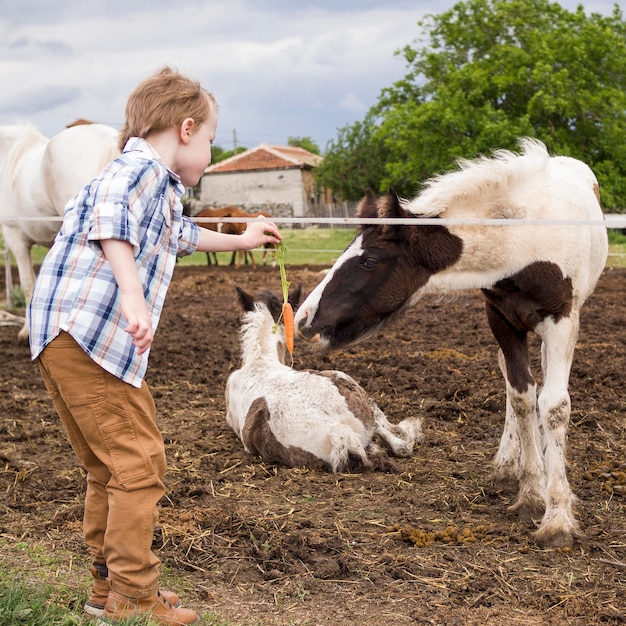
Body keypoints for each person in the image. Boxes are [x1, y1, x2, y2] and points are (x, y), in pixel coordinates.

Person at [27, 66, 282, 626]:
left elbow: (180, 234)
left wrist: (242, 236)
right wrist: (133, 295)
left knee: (109, 467)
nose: (211, 155)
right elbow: (112, 220)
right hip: (88, 334)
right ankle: (132, 598)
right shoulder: (138, 171)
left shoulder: (154, 185)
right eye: (212, 141)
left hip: (65, 335)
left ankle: (109, 585)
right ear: (186, 128)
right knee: (141, 463)